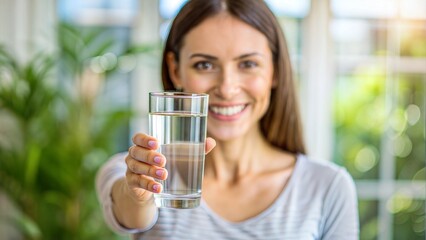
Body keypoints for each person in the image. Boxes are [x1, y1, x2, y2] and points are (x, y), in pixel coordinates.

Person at [96, 0, 359, 239]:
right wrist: (139, 196)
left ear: (275, 71)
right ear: (175, 70)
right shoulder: (137, 174)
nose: (227, 87)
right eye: (205, 65)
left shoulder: (328, 188)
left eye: (248, 64)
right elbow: (132, 215)